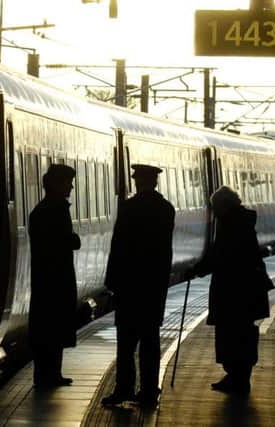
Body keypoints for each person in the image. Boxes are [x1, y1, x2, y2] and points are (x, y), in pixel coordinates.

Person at [102, 164, 175, 407]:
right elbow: (165, 251)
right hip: (154, 286)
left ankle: (124, 389)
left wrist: (112, 281)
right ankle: (148, 392)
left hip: (129, 286)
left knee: (126, 344)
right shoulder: (166, 209)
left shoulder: (129, 208)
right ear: (154, 183)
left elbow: (118, 247)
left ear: (138, 182)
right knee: (150, 342)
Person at [190, 185, 272, 394]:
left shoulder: (230, 225)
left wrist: (197, 270)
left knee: (232, 334)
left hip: (234, 292)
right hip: (248, 290)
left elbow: (220, 255)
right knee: (242, 334)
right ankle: (238, 377)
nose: (213, 212)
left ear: (223, 206)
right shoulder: (240, 221)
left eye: (215, 207)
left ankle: (237, 378)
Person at [28, 163, 81, 388]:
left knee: (47, 329)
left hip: (44, 280)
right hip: (56, 280)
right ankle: (50, 375)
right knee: (53, 328)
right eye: (68, 182)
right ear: (57, 184)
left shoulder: (39, 211)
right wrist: (73, 240)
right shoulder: (56, 210)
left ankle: (47, 374)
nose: (71, 187)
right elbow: (64, 241)